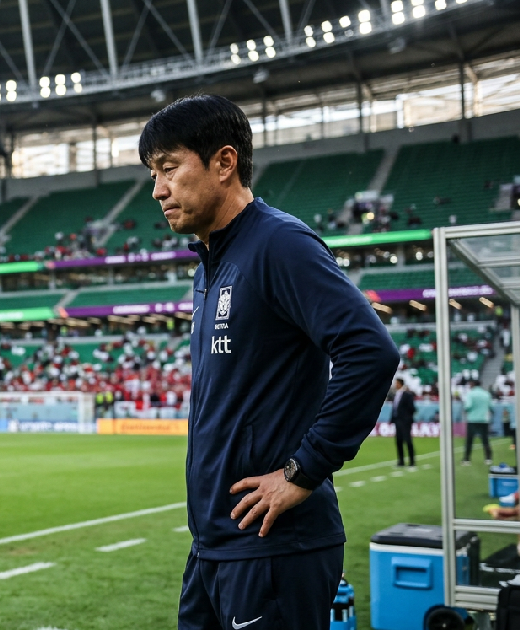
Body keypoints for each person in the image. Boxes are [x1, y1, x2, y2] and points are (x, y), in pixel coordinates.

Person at [139, 95, 398, 630]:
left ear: (224, 162)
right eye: (153, 174)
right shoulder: (210, 264)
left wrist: (303, 471)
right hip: (214, 545)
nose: (158, 189)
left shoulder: (279, 243)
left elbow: (370, 351)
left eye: (169, 168)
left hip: (274, 548)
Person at [463, 379, 494, 465]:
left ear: (473, 384)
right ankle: (488, 458)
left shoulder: (470, 394)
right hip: (484, 419)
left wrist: (466, 410)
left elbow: (468, 406)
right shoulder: (486, 394)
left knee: (469, 440)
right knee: (485, 439)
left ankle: (467, 459)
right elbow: (491, 406)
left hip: (472, 419)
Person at [391, 378, 416, 469]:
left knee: (408, 441)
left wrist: (407, 418)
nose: (395, 385)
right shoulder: (396, 395)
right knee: (399, 441)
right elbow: (395, 408)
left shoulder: (407, 395)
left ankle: (412, 462)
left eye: (396, 383)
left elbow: (412, 408)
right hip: (397, 421)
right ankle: (401, 461)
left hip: (405, 422)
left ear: (400, 384)